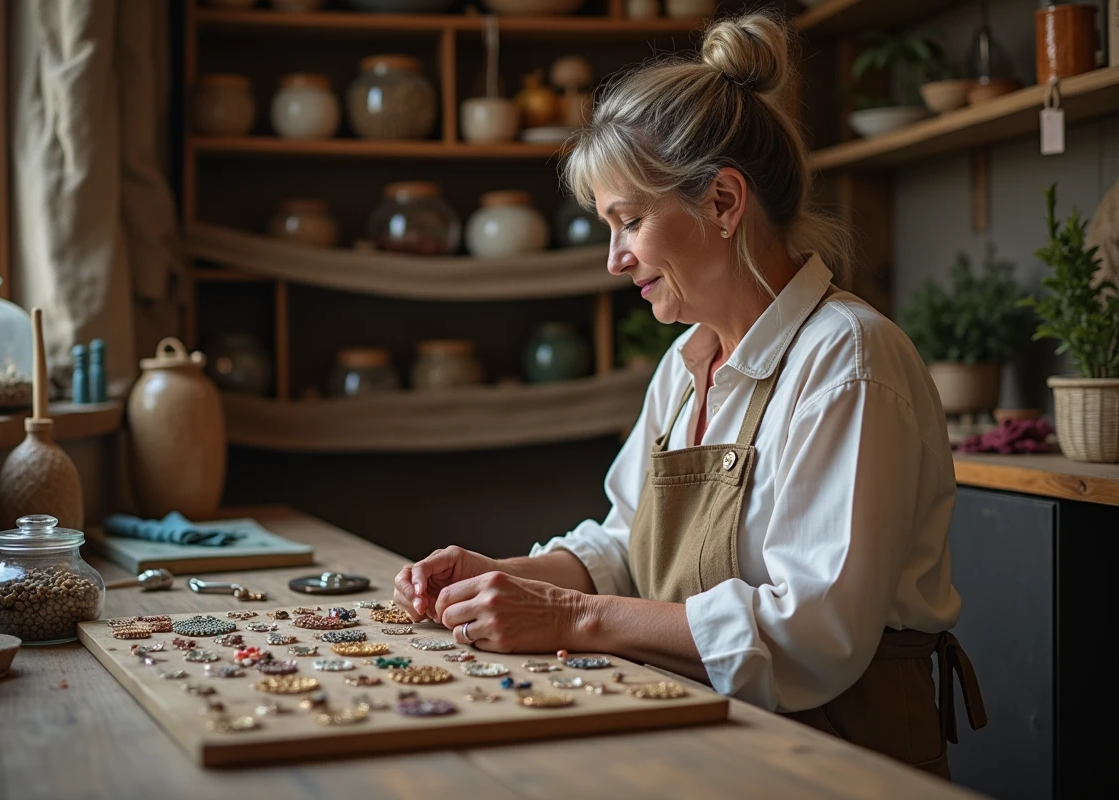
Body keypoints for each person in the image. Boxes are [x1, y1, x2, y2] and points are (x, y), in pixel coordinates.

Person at [393, 11, 985, 778]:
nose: (614, 259)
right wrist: (503, 575)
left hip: (838, 766)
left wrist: (572, 617)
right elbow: (628, 546)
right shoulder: (686, 363)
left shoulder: (847, 360)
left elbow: (811, 635)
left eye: (629, 221)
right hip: (708, 747)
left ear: (723, 203)